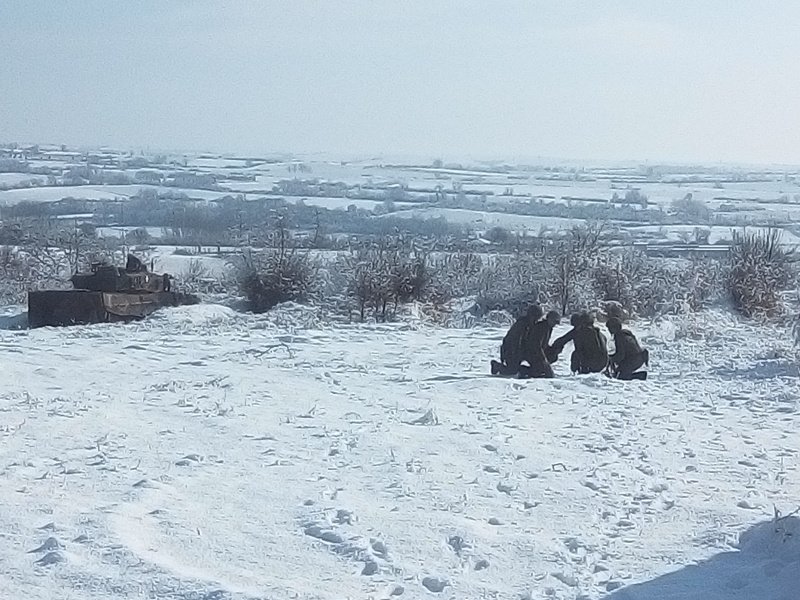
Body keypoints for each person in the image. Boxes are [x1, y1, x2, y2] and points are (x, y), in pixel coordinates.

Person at [491, 304, 543, 376]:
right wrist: (515, 354)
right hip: (511, 350)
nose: (536, 320)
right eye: (535, 317)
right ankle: (497, 366)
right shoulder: (521, 324)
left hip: (522, 350)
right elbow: (513, 340)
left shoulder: (530, 325)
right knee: (511, 371)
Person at [518, 310, 561, 379]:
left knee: (552, 357)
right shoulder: (541, 327)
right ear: (549, 318)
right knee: (543, 371)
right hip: (531, 352)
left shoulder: (548, 328)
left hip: (537, 352)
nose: (554, 324)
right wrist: (543, 360)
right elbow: (536, 345)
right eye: (554, 321)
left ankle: (536, 369)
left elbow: (544, 344)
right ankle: (524, 370)